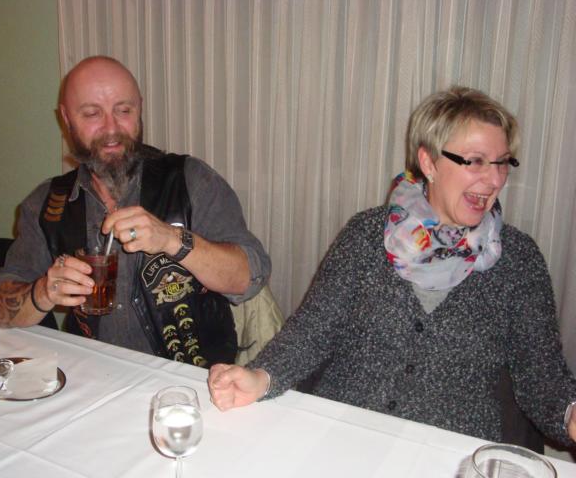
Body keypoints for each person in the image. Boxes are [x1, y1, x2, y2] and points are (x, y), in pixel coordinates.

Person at [208, 86, 576, 446]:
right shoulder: (366, 235)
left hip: (451, 450)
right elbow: (314, 329)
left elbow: (541, 375)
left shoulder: (518, 260)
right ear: (429, 162)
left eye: (502, 162)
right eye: (476, 161)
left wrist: (570, 412)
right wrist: (262, 377)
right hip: (346, 433)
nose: (494, 179)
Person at [0, 56, 271, 367]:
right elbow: (1, 308)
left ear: (140, 109)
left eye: (124, 111)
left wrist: (173, 240)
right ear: (67, 119)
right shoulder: (46, 204)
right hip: (90, 373)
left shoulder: (191, 181)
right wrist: (43, 292)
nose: (111, 129)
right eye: (92, 114)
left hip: (190, 377)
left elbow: (251, 277)